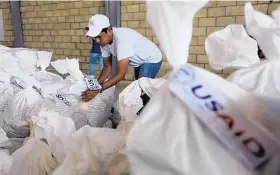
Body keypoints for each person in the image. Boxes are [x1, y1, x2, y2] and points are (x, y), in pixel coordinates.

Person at [81, 14, 162, 102]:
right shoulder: (103, 43)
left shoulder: (122, 39)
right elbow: (107, 67)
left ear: (109, 29)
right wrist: (95, 85)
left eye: (99, 37)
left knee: (142, 90)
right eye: (94, 38)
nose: (97, 41)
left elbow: (121, 74)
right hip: (140, 61)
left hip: (151, 59)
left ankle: (149, 111)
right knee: (138, 88)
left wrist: (98, 89)